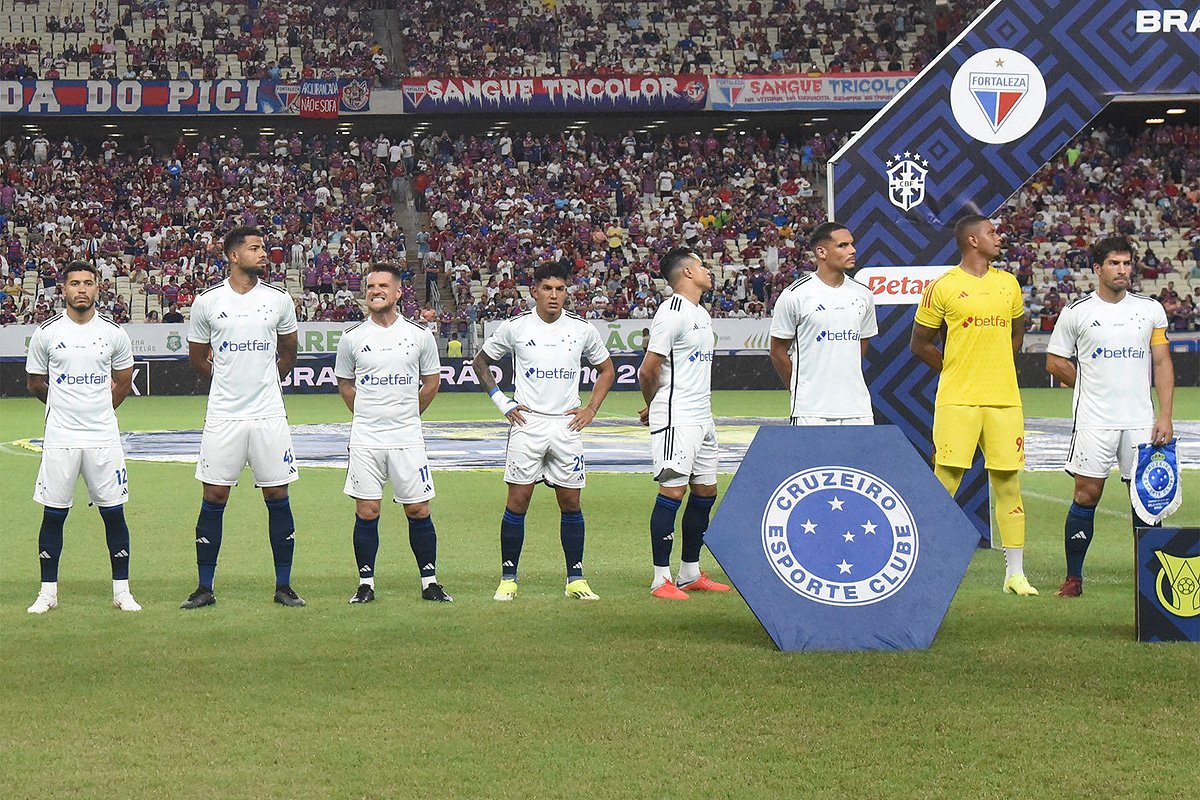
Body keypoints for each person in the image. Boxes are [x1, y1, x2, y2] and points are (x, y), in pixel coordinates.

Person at [473, 262, 615, 601]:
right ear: (534, 291)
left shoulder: (582, 329)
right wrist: (502, 402)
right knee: (518, 501)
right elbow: (480, 361)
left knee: (571, 502)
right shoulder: (516, 327)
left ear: (567, 292)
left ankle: (575, 579)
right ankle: (508, 578)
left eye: (560, 289)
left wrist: (591, 408)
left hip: (566, 425)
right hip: (528, 423)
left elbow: (606, 369)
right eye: (547, 288)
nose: (554, 295)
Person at [910, 215, 1036, 596]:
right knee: (944, 482)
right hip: (958, 400)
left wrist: (997, 365)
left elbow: (1017, 332)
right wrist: (956, 368)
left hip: (1003, 400)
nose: (999, 237)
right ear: (971, 240)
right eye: (992, 232)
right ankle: (921, 566)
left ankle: (1015, 574)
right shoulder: (943, 287)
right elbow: (920, 343)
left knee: (1008, 484)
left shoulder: (1008, 284)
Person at [181, 227, 304, 609]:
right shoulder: (207, 302)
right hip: (224, 415)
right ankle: (205, 587)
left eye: (263, 247)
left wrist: (264, 381)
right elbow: (198, 356)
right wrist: (227, 382)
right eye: (254, 248)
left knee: (278, 494)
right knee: (214, 494)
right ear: (234, 256)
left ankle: (283, 585)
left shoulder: (279, 300)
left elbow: (288, 351)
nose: (263, 252)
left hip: (268, 414)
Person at [1045, 236, 1174, 598]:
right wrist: (1087, 384)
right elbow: (1054, 360)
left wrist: (1164, 416)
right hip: (1094, 420)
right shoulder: (1077, 311)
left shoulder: (1150, 310)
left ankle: (1151, 581)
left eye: (1127, 263)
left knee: (1148, 497)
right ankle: (1073, 579)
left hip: (1140, 421)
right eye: (1115, 264)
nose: (1123, 270)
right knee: (1087, 494)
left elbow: (1162, 362)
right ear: (1097, 268)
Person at [24, 261, 140, 613]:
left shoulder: (113, 333)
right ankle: (48, 593)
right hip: (60, 437)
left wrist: (100, 411)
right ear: (64, 289)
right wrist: (64, 408)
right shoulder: (47, 332)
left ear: (97, 289)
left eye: (88, 283)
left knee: (113, 513)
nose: (81, 289)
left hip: (103, 437)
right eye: (74, 283)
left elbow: (123, 379)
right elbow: (34, 382)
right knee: (54, 513)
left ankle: (122, 591)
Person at [335, 264, 452, 604]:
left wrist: (406, 415)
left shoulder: (419, 336)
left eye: (383, 285)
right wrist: (369, 416)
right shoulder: (353, 338)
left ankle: (429, 581)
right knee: (367, 511)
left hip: (407, 438)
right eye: (370, 285)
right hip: (366, 439)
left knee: (418, 510)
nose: (375, 290)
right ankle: (366, 584)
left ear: (399, 292)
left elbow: (432, 383)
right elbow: (345, 384)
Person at [637, 248, 731, 600]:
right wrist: (654, 405)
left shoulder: (701, 313)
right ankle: (660, 579)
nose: (709, 269)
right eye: (703, 264)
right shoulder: (671, 312)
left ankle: (690, 572)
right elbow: (649, 369)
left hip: (702, 416)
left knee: (706, 491)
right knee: (672, 491)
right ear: (688, 272)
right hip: (677, 416)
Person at [769, 222, 877, 424]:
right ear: (821, 252)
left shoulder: (864, 294)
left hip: (857, 409)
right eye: (843, 246)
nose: (852, 250)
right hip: (811, 411)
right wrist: (800, 389)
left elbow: (862, 342)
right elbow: (777, 352)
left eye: (851, 245)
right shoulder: (795, 295)